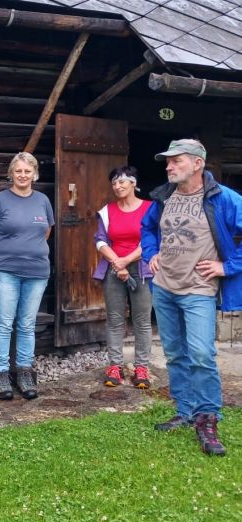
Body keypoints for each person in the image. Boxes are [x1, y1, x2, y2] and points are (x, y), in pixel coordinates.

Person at [141, 139, 242, 457]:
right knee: (174, 354)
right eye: (167, 161)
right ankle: (185, 412)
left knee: (200, 354)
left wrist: (227, 265)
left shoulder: (223, 198)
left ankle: (208, 419)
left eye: (176, 160)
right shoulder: (163, 196)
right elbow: (147, 228)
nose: (169, 166)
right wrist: (151, 252)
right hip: (164, 287)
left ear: (198, 163)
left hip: (199, 289)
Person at [0, 152, 54, 401]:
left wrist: (28, 252)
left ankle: (24, 371)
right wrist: (5, 254)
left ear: (35, 174)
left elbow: (46, 231)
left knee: (27, 324)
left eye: (27, 171)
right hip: (4, 272)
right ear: (11, 174)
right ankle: (1, 373)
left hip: (37, 272)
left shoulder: (43, 200)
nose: (23, 175)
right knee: (4, 322)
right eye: (18, 171)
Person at [93, 166, 153, 389]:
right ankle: (115, 366)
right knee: (115, 319)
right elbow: (100, 240)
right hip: (113, 267)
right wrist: (116, 262)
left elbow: (151, 240)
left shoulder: (149, 209)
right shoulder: (107, 211)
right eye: (114, 183)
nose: (118, 186)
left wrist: (126, 261)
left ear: (134, 183)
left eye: (122, 182)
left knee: (142, 321)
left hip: (142, 269)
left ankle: (142, 367)